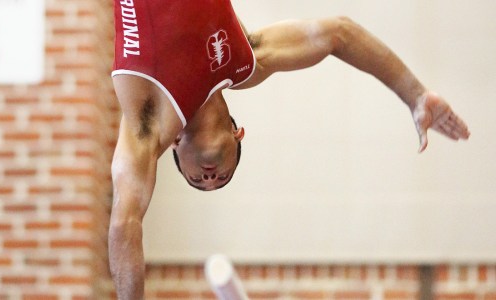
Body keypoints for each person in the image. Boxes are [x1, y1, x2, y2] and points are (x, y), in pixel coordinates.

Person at [108, 1, 470, 299]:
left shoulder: (147, 123)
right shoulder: (246, 60)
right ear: (237, 135)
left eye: (198, 181)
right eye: (222, 179)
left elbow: (125, 225)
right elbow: (338, 34)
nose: (211, 179)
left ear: (173, 144)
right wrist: (416, 95)